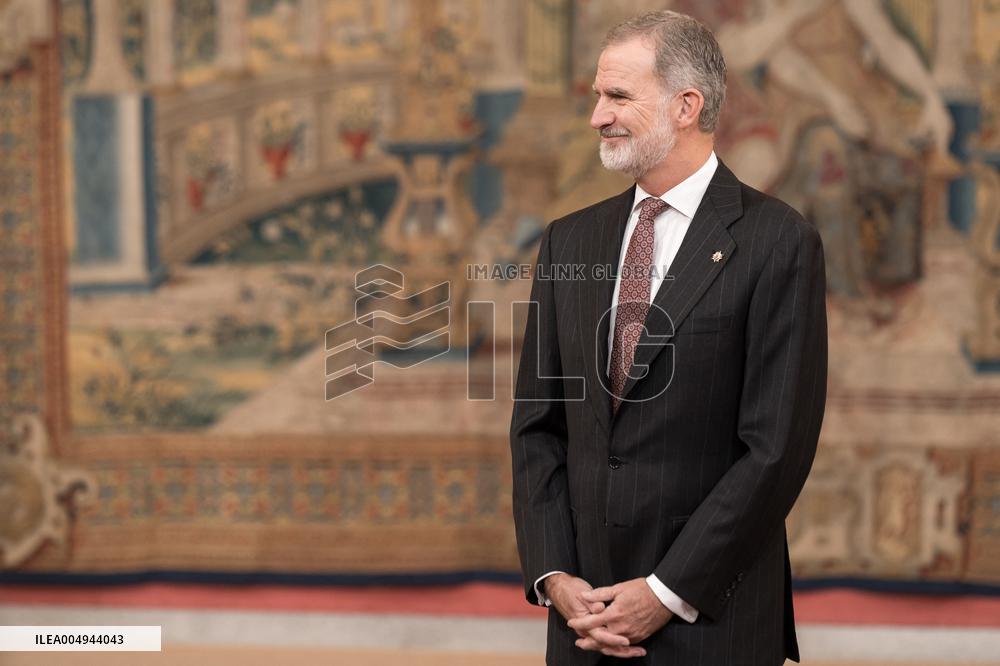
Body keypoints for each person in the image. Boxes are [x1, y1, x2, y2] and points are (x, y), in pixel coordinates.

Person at [510, 10, 828, 665]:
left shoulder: (778, 242)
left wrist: (664, 592)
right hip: (585, 626)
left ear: (687, 106)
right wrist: (556, 578)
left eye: (618, 96)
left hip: (712, 623)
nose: (597, 115)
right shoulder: (571, 240)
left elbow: (774, 452)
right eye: (598, 95)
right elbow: (538, 427)